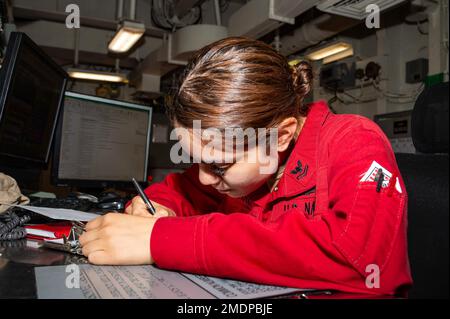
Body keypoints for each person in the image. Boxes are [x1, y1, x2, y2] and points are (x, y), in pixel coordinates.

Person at [79, 37, 412, 296]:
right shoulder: (231, 169)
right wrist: (154, 208)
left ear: (280, 137)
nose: (206, 179)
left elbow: (359, 260)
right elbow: (178, 190)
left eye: (220, 166)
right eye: (196, 160)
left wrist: (162, 239)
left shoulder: (354, 141)